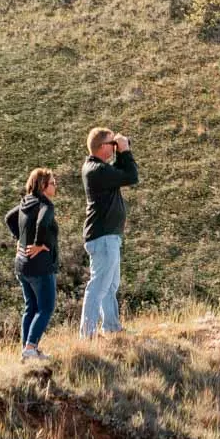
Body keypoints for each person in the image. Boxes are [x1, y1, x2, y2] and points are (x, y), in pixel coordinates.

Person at [80, 127, 139, 339]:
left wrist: (122, 152)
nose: (114, 148)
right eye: (111, 144)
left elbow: (121, 174)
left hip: (107, 236)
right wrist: (125, 151)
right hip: (103, 237)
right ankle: (87, 335)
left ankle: (112, 326)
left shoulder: (98, 169)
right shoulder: (96, 170)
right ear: (102, 147)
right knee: (98, 286)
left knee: (110, 285)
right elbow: (131, 176)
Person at [5, 168, 60, 362]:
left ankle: (27, 350)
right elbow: (43, 220)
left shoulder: (25, 202)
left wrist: (20, 240)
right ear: (43, 186)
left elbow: (9, 218)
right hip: (40, 267)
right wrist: (38, 243)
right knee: (46, 308)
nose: (55, 186)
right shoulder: (45, 204)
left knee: (31, 307)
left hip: (22, 265)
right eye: (53, 183)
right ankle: (30, 348)